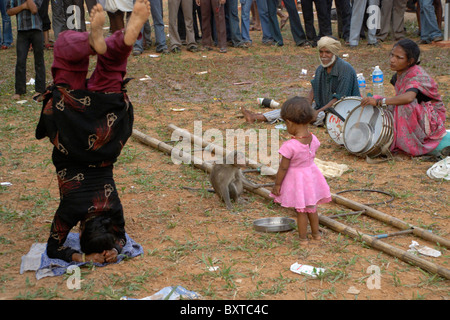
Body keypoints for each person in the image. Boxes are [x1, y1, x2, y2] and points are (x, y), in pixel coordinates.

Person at [35, 1, 150, 263]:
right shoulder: (70, 210)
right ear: (82, 229)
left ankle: (121, 42)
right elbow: (54, 248)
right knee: (64, 48)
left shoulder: (114, 211)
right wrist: (82, 258)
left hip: (104, 129)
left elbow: (120, 239)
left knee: (111, 67)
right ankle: (90, 42)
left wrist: (115, 249)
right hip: (72, 123)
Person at [241, 36, 360, 125]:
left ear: (334, 53)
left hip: (341, 111)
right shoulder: (321, 69)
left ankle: (264, 117)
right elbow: (314, 89)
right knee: (296, 107)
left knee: (319, 116)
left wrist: (316, 111)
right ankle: (258, 117)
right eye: (321, 52)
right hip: (322, 106)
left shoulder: (345, 70)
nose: (323, 55)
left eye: (327, 52)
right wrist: (306, 105)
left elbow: (338, 99)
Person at [361, 39, 448, 157]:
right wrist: (377, 100)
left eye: (399, 57)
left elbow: (408, 98)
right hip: (419, 112)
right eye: (392, 55)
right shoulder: (397, 75)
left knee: (404, 105)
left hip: (432, 119)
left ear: (410, 61)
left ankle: (410, 146)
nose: (392, 60)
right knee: (376, 99)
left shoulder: (416, 75)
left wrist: (380, 101)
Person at [270, 96, 332, 245]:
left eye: (285, 123)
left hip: (298, 180)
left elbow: (283, 167)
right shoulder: (314, 139)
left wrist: (277, 184)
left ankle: (303, 238)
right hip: (311, 177)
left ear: (290, 123)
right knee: (312, 207)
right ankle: (316, 234)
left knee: (301, 211)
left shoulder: (290, 146)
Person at [7, 0, 46, 100]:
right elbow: (9, 11)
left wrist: (25, 4)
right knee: (20, 61)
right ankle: (19, 90)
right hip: (22, 31)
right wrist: (23, 6)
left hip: (36, 29)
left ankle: (40, 90)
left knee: (39, 61)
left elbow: (34, 9)